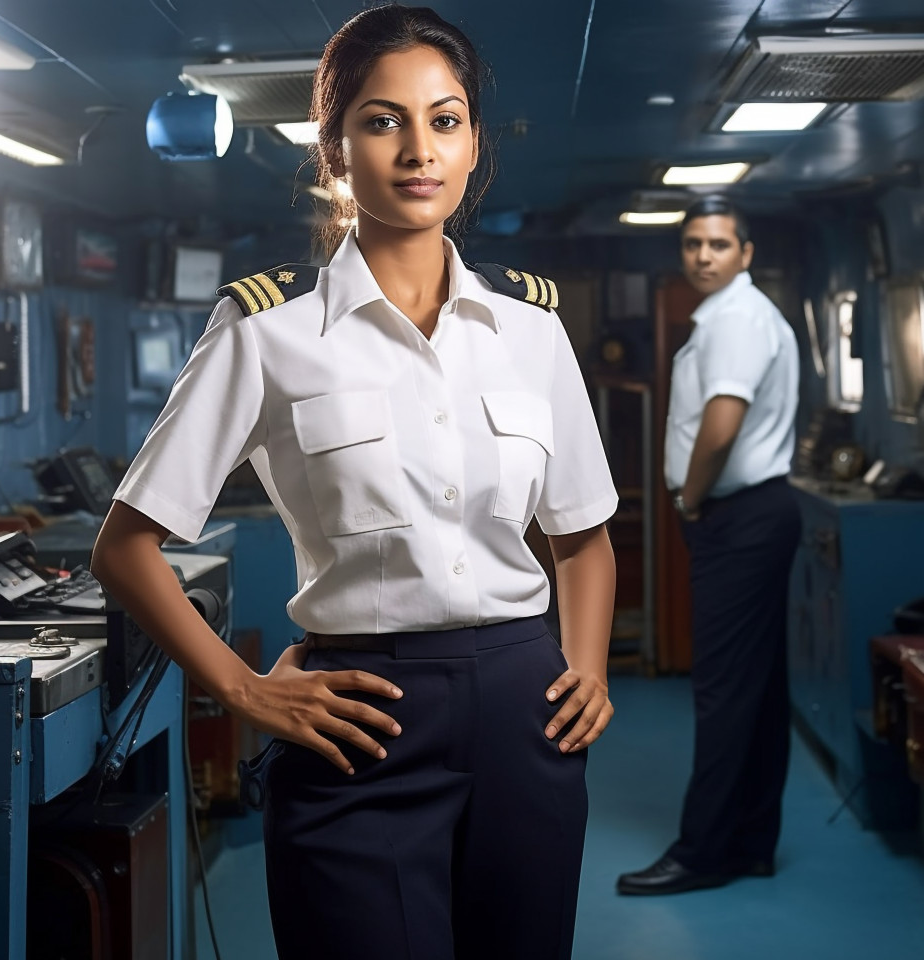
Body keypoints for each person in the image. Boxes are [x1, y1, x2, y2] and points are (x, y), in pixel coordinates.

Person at [91, 6, 619, 958]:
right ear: (334, 149)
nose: (418, 150)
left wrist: (585, 666)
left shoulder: (534, 329)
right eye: (383, 121)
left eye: (445, 119)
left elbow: (581, 536)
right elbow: (125, 547)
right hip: (358, 716)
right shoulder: (267, 330)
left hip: (521, 712)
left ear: (471, 146)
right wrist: (244, 693)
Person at [616, 196, 801, 896]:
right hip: (754, 514)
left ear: (745, 254)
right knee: (756, 688)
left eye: (719, 244)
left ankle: (702, 853)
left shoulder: (737, 320)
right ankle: (751, 843)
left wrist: (689, 499)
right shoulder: (730, 317)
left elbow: (722, 424)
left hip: (740, 515)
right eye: (693, 244)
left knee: (723, 691)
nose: (703, 256)